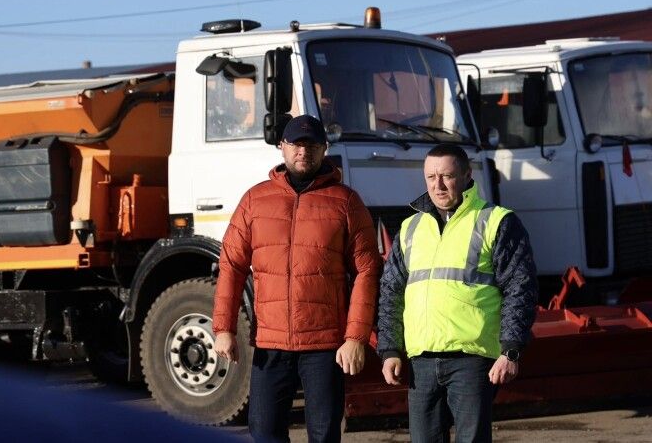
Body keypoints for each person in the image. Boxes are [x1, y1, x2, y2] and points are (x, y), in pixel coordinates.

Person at [213, 114, 382, 443]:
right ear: (282, 147)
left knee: (324, 434)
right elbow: (231, 264)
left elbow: (367, 270)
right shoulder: (254, 200)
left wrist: (356, 337)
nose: (303, 151)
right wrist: (223, 329)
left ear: (324, 150)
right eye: (296, 144)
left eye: (312, 145)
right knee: (263, 431)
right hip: (271, 342)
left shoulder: (346, 201)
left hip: (324, 344)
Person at [377, 143, 538, 443]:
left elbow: (521, 288)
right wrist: (389, 350)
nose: (437, 185)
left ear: (467, 175)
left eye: (447, 176)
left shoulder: (496, 221)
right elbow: (391, 292)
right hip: (421, 362)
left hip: (472, 361)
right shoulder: (411, 228)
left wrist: (510, 350)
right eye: (430, 177)